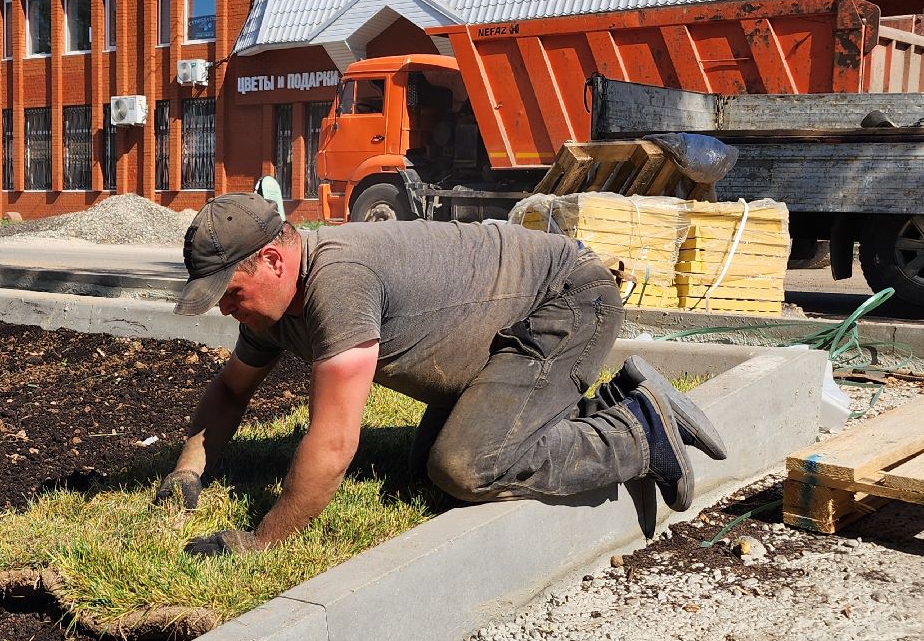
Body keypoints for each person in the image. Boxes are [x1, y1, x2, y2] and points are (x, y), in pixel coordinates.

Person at [155, 193, 726, 556]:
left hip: (567, 301)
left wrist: (263, 541)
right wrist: (187, 472)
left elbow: (333, 443)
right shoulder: (273, 308)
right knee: (424, 469)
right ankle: (611, 400)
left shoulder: (338, 281)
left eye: (229, 294)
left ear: (274, 261)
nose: (225, 309)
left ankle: (640, 427)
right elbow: (231, 391)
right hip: (505, 334)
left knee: (465, 466)